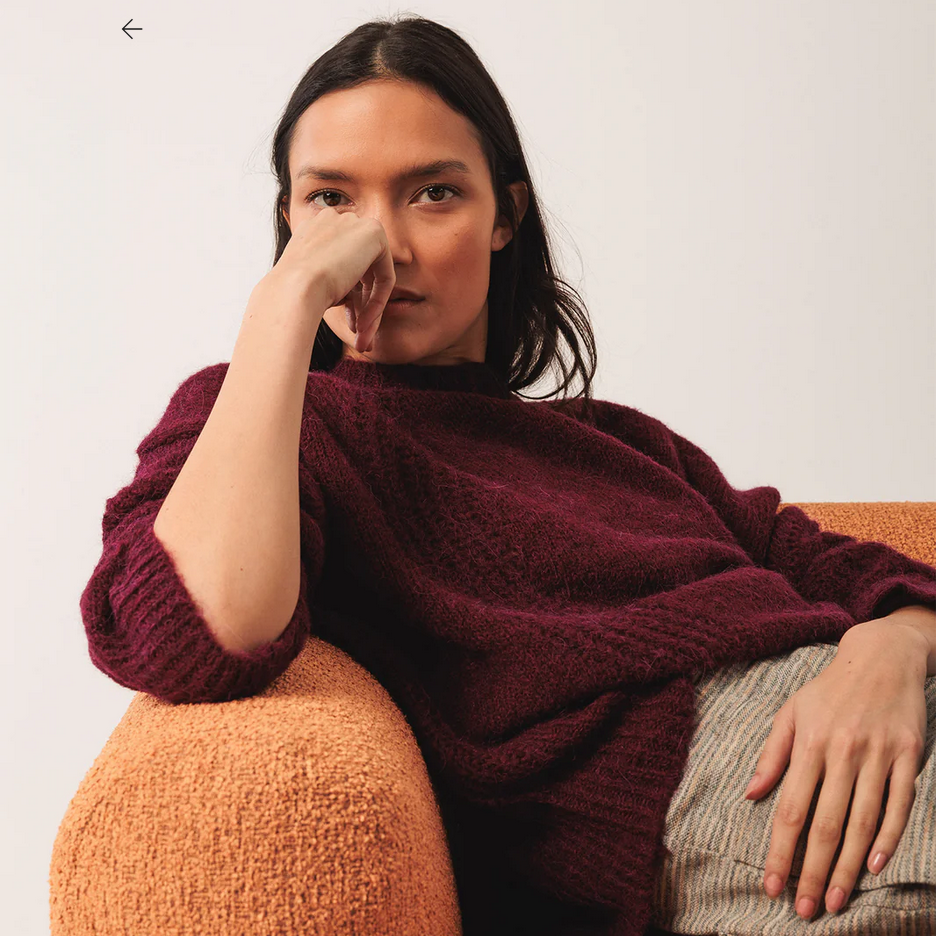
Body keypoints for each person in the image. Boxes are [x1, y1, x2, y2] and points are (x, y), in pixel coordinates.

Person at [80, 14, 936, 936]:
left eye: (434, 193)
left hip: (867, 705)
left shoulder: (624, 441)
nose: (384, 246)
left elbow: (854, 568)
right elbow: (198, 636)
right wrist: (282, 307)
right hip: (736, 776)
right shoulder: (271, 425)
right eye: (332, 199)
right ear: (290, 219)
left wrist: (890, 648)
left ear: (505, 216)